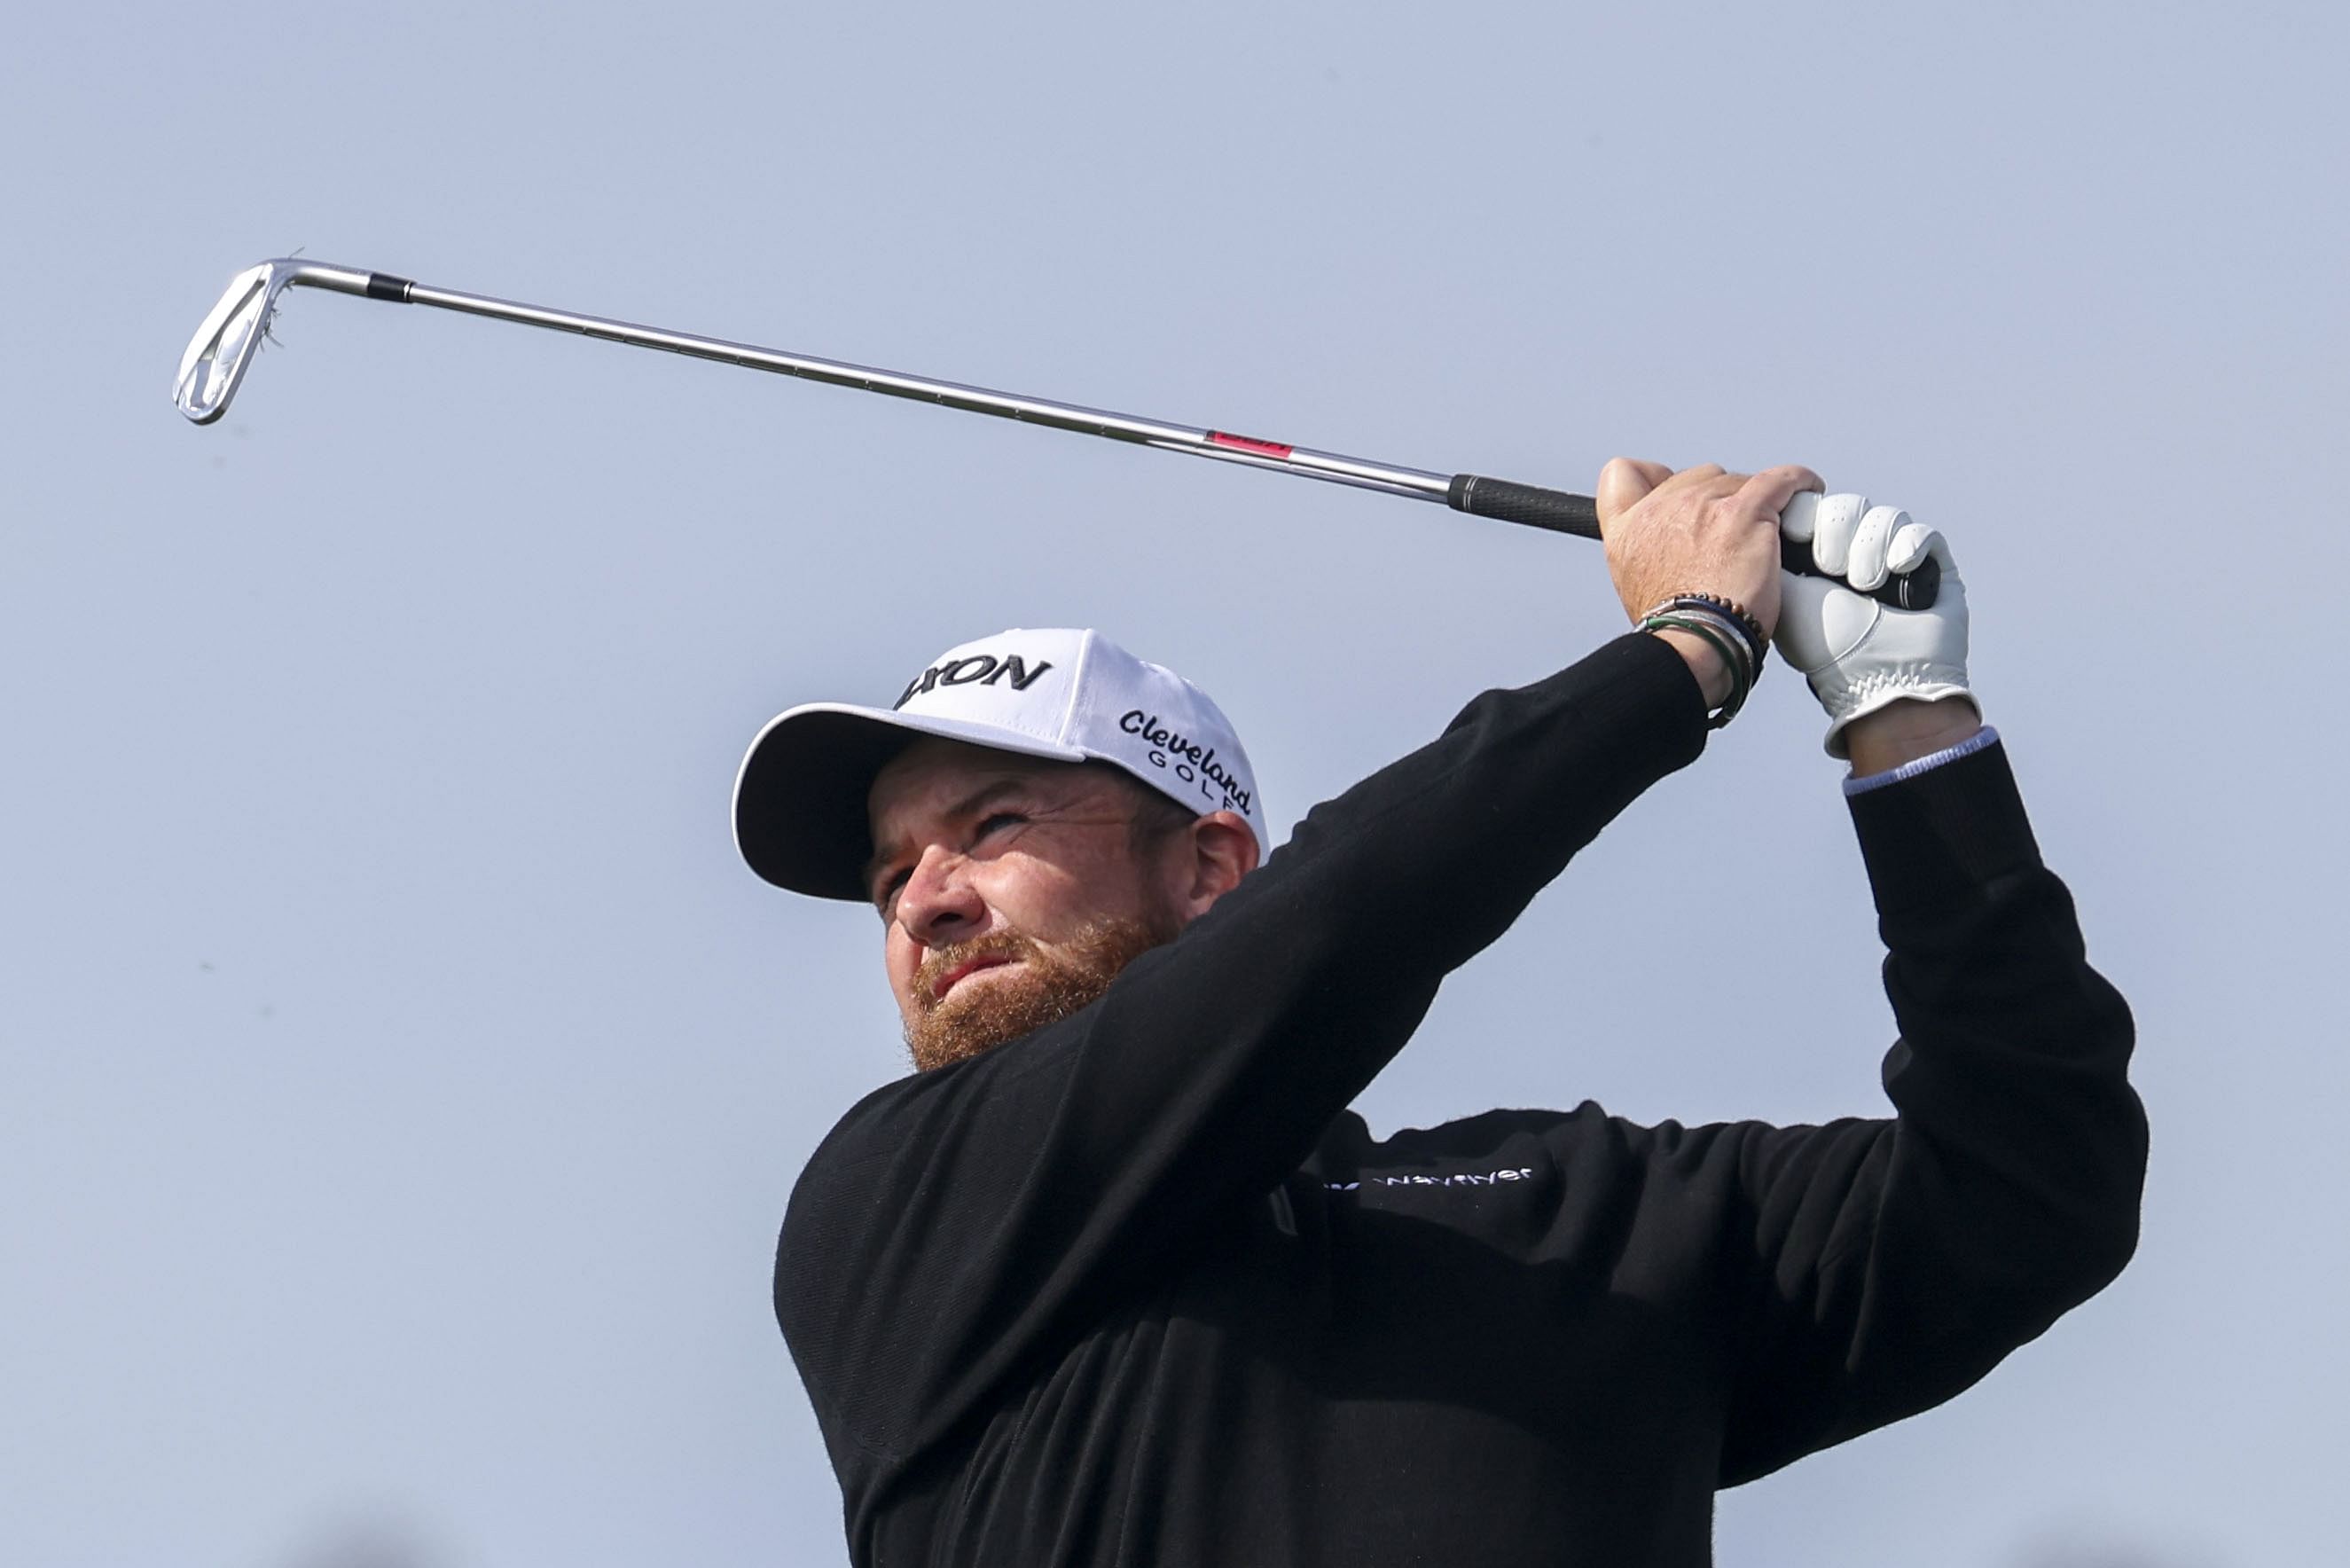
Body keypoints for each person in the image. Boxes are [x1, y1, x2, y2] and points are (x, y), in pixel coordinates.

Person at [731, 459, 2148, 1568]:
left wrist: (1908, 722)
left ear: (1211, 867)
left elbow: (2032, 1191)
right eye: (888, 875)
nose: (925, 902)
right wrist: (1689, 649)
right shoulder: (904, 1208)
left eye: (990, 825)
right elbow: (1341, 926)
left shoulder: (1578, 1216)